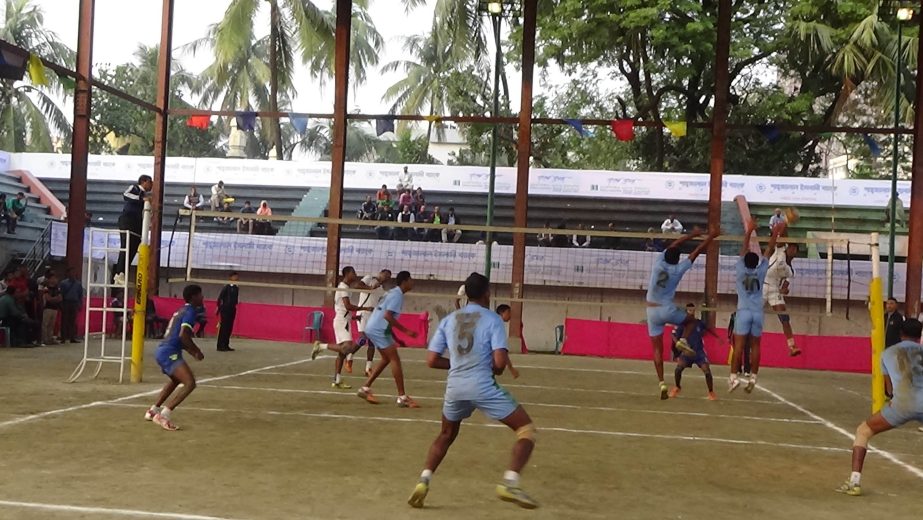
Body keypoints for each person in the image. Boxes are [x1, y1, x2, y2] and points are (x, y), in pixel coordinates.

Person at [408, 272, 537, 510]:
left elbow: (431, 360)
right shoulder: (493, 320)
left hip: (455, 386)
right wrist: (489, 367)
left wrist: (457, 364)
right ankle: (510, 482)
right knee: (526, 430)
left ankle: (423, 480)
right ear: (487, 293)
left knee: (446, 435)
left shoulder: (449, 320)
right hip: (481, 385)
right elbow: (499, 364)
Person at [836, 318, 923, 496]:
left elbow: (888, 386)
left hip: (903, 403)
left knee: (863, 431)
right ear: (920, 335)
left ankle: (854, 482)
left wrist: (892, 397)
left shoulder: (888, 353)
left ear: (901, 334)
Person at [646, 227, 716, 399]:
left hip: (651, 310)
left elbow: (675, 244)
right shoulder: (678, 269)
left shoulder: (658, 263)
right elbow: (696, 252)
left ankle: (662, 383)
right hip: (666, 309)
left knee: (657, 349)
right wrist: (711, 236)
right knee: (692, 320)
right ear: (677, 259)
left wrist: (692, 234)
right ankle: (683, 340)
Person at [729, 219, 783, 393]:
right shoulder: (761, 271)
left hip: (743, 312)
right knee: (756, 346)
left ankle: (734, 377)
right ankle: (753, 376)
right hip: (757, 312)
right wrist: (775, 233)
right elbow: (768, 250)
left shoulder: (740, 269)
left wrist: (749, 231)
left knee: (739, 346)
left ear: (745, 261)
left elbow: (743, 250)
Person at [144, 285, 207, 431]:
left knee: (176, 379)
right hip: (168, 351)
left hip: (163, 349)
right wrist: (196, 351)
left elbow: (179, 337)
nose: (202, 298)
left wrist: (192, 351)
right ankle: (164, 415)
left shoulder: (181, 310)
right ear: (193, 297)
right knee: (190, 383)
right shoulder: (190, 311)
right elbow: (183, 335)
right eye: (200, 295)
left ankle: (153, 410)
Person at [355, 271, 420, 407]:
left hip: (373, 327)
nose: (413, 282)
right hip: (378, 329)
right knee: (395, 359)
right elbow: (387, 316)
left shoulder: (392, 293)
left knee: (386, 359)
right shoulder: (397, 295)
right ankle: (402, 397)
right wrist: (406, 331)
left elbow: (386, 317)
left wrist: (396, 338)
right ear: (405, 281)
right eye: (411, 279)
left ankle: (365, 388)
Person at [316, 267, 374, 388]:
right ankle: (321, 346)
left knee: (342, 354)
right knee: (347, 348)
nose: (356, 274)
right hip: (342, 321)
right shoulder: (343, 287)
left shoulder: (346, 288)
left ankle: (337, 380)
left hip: (344, 320)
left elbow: (342, 308)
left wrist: (353, 318)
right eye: (354, 272)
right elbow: (347, 306)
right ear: (347, 274)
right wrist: (364, 309)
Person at [668, 304, 717, 400]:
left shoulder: (699, 323)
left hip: (699, 353)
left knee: (707, 371)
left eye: (693, 310)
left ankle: (711, 392)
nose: (691, 311)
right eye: (689, 310)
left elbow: (708, 329)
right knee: (678, 369)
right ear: (686, 311)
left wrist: (717, 337)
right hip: (687, 352)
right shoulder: (682, 324)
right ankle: (677, 387)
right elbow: (673, 334)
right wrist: (677, 342)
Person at [763, 238, 802, 356]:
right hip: (763, 286)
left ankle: (792, 346)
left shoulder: (790, 271)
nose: (792, 250)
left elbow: (785, 286)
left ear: (796, 252)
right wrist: (785, 222)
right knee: (752, 315)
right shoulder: (779, 252)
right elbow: (780, 239)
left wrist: (784, 290)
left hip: (774, 291)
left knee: (784, 317)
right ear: (787, 248)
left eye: (794, 249)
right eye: (791, 247)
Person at [351, 269, 392, 376]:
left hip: (372, 316)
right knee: (363, 338)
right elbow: (357, 286)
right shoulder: (369, 278)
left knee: (372, 342)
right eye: (385, 276)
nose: (385, 279)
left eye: (388, 278)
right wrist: (370, 288)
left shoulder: (382, 291)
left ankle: (368, 368)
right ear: (380, 273)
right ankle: (349, 355)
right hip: (363, 312)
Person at [114, 175, 153, 284]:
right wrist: (141, 199)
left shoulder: (147, 196)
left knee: (133, 247)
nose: (151, 185)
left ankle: (122, 273)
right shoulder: (134, 188)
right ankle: (119, 273)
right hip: (128, 220)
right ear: (144, 182)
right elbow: (125, 195)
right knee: (126, 246)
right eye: (150, 182)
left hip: (137, 223)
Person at [58, 266, 84, 343]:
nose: (73, 274)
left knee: (73, 321)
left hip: (74, 303)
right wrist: (61, 304)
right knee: (64, 321)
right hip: (66, 302)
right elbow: (61, 294)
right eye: (71, 272)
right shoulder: (63, 283)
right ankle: (63, 338)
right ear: (68, 273)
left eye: (74, 272)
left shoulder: (78, 284)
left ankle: (72, 337)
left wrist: (80, 303)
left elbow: (80, 294)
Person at [216, 272, 240, 352]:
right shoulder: (226, 287)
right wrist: (219, 308)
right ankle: (220, 345)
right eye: (234, 276)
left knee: (229, 327)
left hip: (232, 308)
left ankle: (226, 345)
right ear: (230, 277)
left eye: (237, 276)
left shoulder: (236, 287)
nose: (236, 278)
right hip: (225, 309)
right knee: (224, 327)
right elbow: (220, 298)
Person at [41, 272, 62, 345]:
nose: (54, 280)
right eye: (52, 278)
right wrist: (55, 299)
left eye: (55, 278)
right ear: (49, 279)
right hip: (47, 308)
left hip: (55, 308)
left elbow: (60, 298)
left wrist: (53, 299)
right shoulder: (46, 288)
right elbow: (48, 298)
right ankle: (44, 339)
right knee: (45, 324)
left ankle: (50, 338)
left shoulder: (57, 288)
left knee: (52, 324)